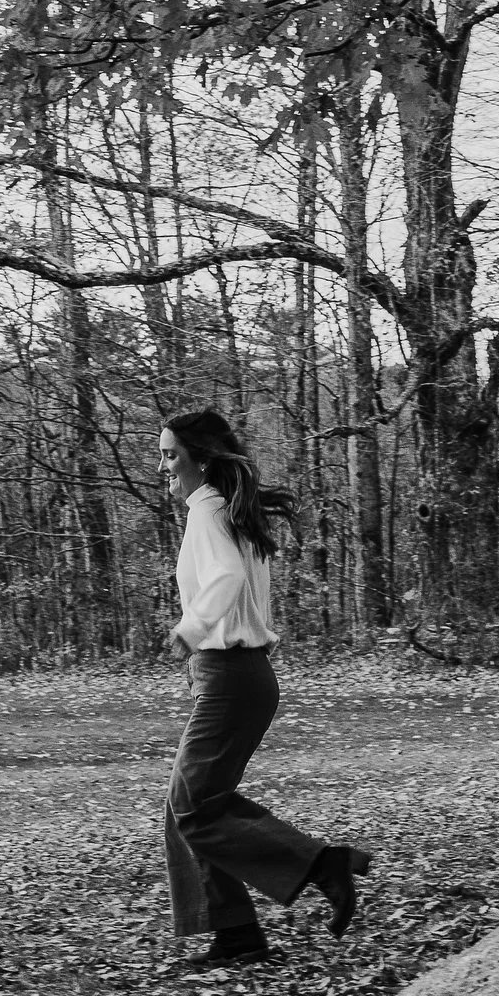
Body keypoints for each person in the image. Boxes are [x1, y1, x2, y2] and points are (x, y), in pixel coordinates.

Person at [158, 409, 372, 966]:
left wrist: (190, 629)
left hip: (232, 675)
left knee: (192, 807)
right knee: (191, 804)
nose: (164, 468)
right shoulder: (230, 511)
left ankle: (320, 864)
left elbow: (226, 578)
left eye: (170, 456)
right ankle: (235, 933)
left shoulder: (208, 512)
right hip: (241, 675)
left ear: (201, 460)